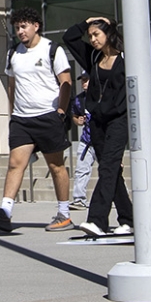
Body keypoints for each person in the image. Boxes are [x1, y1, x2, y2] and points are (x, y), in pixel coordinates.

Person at [0, 6, 75, 234]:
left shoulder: (52, 49)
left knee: (56, 166)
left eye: (24, 26)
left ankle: (64, 213)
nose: (20, 31)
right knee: (15, 164)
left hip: (47, 116)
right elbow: (12, 86)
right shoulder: (13, 54)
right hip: (22, 119)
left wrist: (61, 111)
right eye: (17, 27)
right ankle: (5, 212)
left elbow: (66, 82)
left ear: (35, 26)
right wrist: (12, 114)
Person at [62, 17, 138, 237]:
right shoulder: (93, 57)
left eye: (97, 34)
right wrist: (85, 23)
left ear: (109, 34)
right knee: (111, 171)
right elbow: (69, 37)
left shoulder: (126, 59)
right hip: (97, 121)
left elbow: (144, 87)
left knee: (108, 168)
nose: (93, 39)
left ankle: (97, 220)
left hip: (119, 120)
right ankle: (128, 219)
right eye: (91, 35)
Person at [68, 81, 94, 209]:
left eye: (87, 79)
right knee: (81, 170)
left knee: (112, 171)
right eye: (82, 80)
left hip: (103, 141)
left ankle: (121, 199)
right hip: (86, 141)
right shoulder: (79, 99)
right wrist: (78, 120)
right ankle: (79, 199)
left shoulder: (103, 96)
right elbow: (75, 116)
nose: (84, 83)